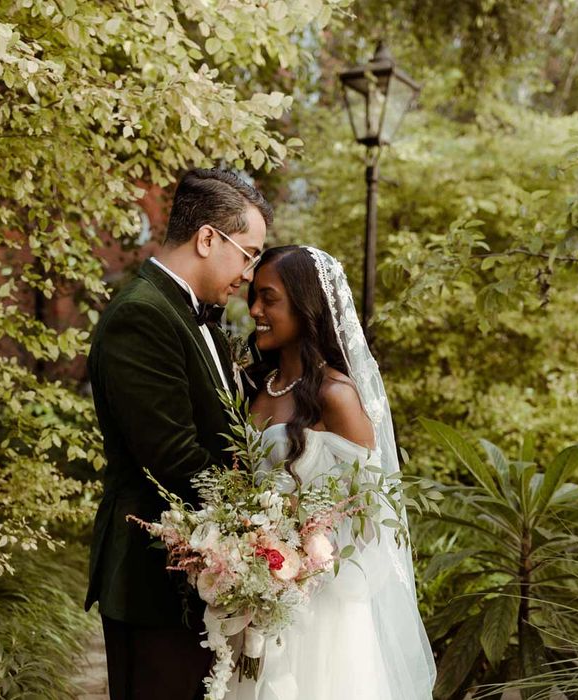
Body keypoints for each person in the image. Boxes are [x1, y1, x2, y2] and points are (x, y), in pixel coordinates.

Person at [85, 168, 271, 700]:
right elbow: (172, 457)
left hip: (201, 574)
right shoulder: (142, 316)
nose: (249, 272)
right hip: (154, 579)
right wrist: (265, 527)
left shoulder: (199, 316)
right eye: (248, 253)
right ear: (208, 237)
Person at [225, 245, 436, 700]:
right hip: (257, 599)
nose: (256, 310)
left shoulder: (337, 396)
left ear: (306, 306)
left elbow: (371, 514)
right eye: (253, 300)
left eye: (269, 298)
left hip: (322, 609)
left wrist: (302, 563)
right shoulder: (253, 387)